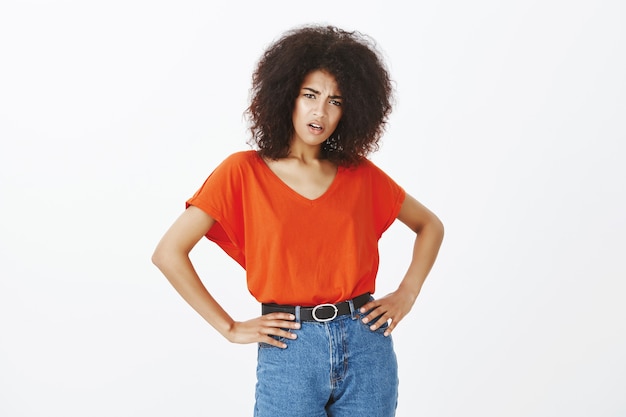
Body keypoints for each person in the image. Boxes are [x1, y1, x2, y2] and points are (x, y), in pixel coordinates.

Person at [152, 24, 444, 417]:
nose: (320, 112)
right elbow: (168, 253)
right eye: (310, 95)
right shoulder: (242, 172)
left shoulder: (360, 175)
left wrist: (407, 293)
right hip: (289, 345)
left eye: (335, 101)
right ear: (286, 94)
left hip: (366, 344)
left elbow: (430, 225)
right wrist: (230, 327)